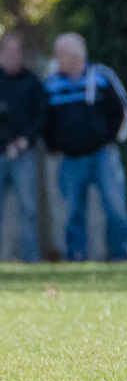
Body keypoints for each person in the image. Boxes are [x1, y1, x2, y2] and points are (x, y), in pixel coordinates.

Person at [44, 33, 127, 262]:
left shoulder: (102, 76)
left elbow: (125, 111)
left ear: (75, 55)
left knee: (116, 207)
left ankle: (121, 255)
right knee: (73, 211)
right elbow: (44, 120)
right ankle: (76, 257)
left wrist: (115, 140)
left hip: (103, 155)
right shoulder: (52, 84)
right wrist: (52, 145)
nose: (56, 59)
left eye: (60, 54)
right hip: (71, 159)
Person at [0, 35, 48, 262]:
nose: (14, 54)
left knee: (28, 211)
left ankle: (31, 261)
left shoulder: (31, 81)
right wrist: (7, 142)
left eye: (17, 50)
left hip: (23, 155)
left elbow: (42, 115)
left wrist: (24, 141)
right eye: (9, 50)